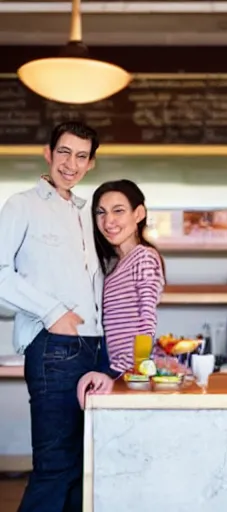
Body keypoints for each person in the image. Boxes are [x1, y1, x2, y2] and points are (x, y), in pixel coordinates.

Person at [0, 121, 114, 512]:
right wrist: (53, 313)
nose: (71, 163)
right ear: (48, 154)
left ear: (91, 163)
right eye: (64, 152)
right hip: (53, 349)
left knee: (84, 468)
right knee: (55, 467)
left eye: (81, 156)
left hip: (95, 352)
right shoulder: (22, 205)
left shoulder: (86, 214)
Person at [76, 179, 165, 401]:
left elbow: (147, 319)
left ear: (138, 214)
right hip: (115, 366)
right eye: (101, 212)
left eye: (119, 211)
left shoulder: (143, 257)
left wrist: (132, 369)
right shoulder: (114, 264)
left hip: (129, 371)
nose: (108, 221)